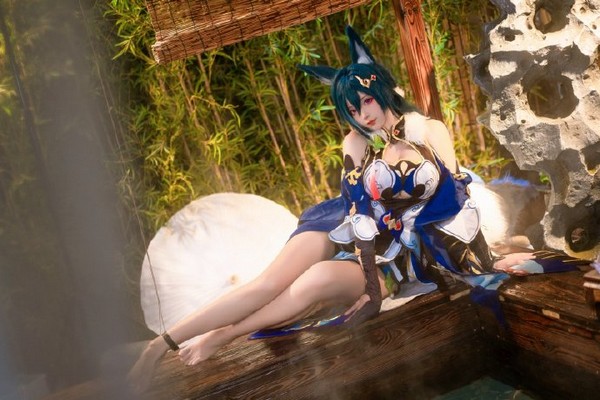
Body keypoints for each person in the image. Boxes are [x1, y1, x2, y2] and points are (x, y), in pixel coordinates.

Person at [127, 26, 583, 394]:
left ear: (383, 90)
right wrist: (368, 268)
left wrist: (475, 258)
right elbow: (356, 209)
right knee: (267, 282)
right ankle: (159, 346)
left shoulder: (428, 129)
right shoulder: (354, 142)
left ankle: (223, 335)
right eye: (352, 108)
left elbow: (455, 201)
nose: (364, 114)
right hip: (345, 225)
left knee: (312, 285)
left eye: (367, 100)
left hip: (403, 247)